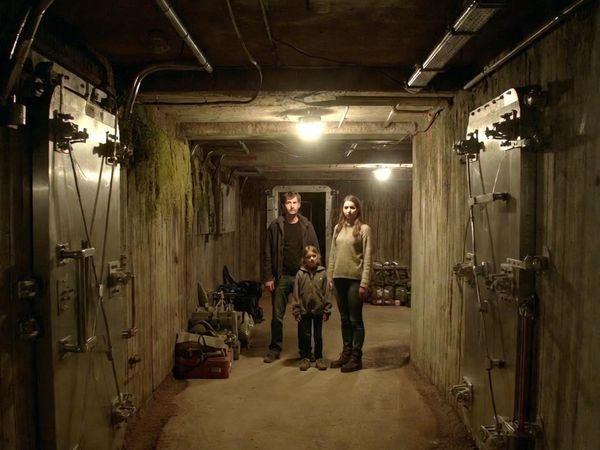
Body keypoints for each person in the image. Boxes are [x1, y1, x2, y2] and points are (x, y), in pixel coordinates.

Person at [262, 192, 320, 363]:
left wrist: (315, 274)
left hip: (302, 276)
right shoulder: (275, 226)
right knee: (277, 316)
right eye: (288, 202)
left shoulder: (307, 226)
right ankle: (275, 349)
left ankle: (305, 351)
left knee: (303, 315)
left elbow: (315, 250)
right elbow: (267, 253)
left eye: (295, 202)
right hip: (281, 276)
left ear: (299, 204)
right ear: (283, 205)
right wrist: (268, 277)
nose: (292, 206)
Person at [327, 195, 372, 372]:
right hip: (338, 279)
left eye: (352, 207)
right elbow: (332, 254)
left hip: (355, 280)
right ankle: (346, 353)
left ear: (358, 209)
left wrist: (364, 283)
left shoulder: (364, 229)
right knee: (344, 318)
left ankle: (356, 357)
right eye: (346, 207)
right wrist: (330, 276)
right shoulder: (338, 228)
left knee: (355, 320)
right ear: (342, 209)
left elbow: (367, 258)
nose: (349, 211)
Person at [292, 246, 332, 371]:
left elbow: (327, 293)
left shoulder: (323, 273)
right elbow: (296, 294)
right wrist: (296, 310)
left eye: (314, 256)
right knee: (306, 335)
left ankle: (319, 357)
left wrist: (327, 309)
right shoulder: (300, 274)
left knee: (318, 335)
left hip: (319, 310)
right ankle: (306, 357)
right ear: (304, 259)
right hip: (305, 310)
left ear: (318, 257)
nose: (311, 259)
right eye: (308, 257)